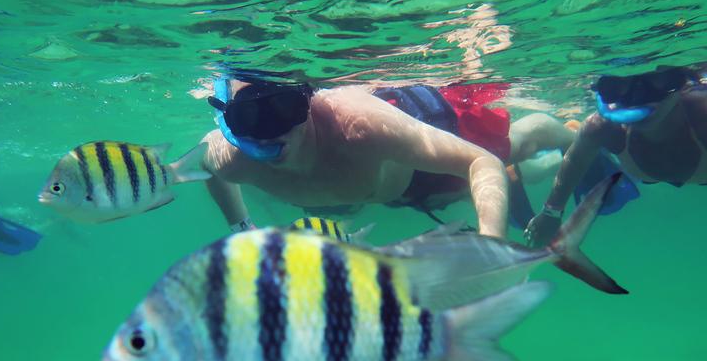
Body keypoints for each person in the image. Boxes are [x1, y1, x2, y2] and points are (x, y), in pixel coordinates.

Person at [199, 74, 577, 239]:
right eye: (249, 117)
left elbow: (481, 163)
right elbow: (206, 168)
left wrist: (489, 246)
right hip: (394, 189)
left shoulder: (357, 126)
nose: (274, 133)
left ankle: (568, 135)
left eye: (286, 108)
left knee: (517, 145)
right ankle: (551, 166)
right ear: (228, 120)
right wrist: (243, 229)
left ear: (307, 100)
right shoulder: (229, 158)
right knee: (464, 195)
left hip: (423, 156)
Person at [525, 65, 707, 249]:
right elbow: (574, 160)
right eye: (619, 85)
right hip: (636, 170)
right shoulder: (602, 128)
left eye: (658, 81)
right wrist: (550, 213)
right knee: (585, 146)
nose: (637, 99)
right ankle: (563, 143)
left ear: (683, 84)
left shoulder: (703, 114)